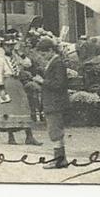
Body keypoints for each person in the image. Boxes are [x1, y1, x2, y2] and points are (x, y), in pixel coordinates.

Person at [0, 30, 41, 146]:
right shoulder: (0, 58)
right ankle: (11, 137)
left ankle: (29, 136)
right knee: (9, 109)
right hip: (7, 83)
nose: (10, 48)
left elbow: (28, 64)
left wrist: (20, 53)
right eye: (8, 46)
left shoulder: (15, 57)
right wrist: (2, 89)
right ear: (3, 46)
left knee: (24, 107)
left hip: (17, 83)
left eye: (12, 46)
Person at [34, 37, 70, 169]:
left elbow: (60, 84)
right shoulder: (54, 62)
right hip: (52, 101)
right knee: (55, 131)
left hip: (55, 102)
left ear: (50, 50)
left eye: (44, 54)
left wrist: (42, 81)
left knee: (55, 131)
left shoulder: (57, 63)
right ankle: (61, 159)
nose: (43, 57)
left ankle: (59, 159)